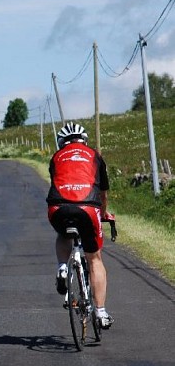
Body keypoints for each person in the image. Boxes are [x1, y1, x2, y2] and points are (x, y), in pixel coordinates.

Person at [46, 122, 114, 329]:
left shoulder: (56, 157)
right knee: (94, 259)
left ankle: (63, 267)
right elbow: (102, 193)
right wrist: (102, 213)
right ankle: (101, 312)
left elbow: (56, 182)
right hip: (88, 207)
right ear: (83, 140)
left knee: (63, 234)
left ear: (62, 142)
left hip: (58, 208)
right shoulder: (95, 156)